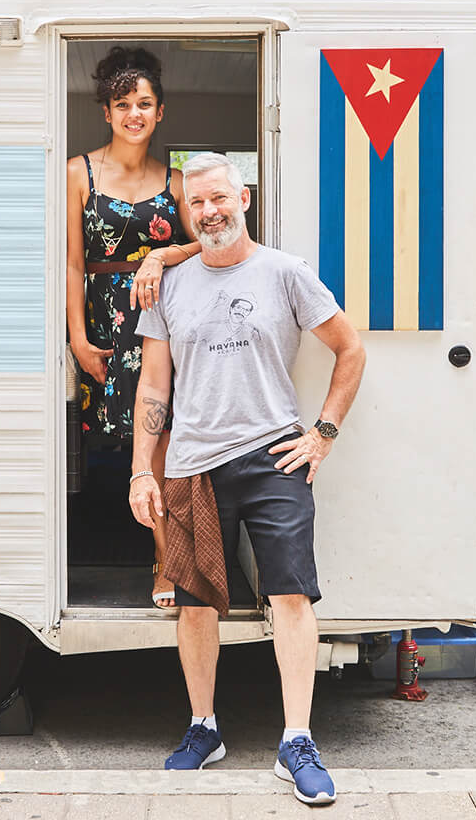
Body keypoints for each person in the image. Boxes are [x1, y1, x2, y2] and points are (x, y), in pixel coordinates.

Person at [129, 152, 365, 804]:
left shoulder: (286, 273)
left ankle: (296, 742)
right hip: (191, 464)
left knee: (291, 595)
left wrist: (323, 435)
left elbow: (351, 350)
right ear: (186, 214)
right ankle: (203, 728)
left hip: (272, 456)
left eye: (218, 199)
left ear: (244, 198)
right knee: (197, 602)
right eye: (195, 203)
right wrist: (139, 473)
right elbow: (154, 384)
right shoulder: (169, 284)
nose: (209, 212)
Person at [66, 46, 199, 608]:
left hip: (164, 323)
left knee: (165, 440)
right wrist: (78, 337)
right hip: (105, 324)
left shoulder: (176, 180)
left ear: (160, 112)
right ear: (107, 112)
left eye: (144, 103)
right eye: (123, 104)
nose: (134, 114)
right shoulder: (78, 172)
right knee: (127, 448)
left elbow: (213, 243)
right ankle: (157, 550)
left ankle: (166, 563)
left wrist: (161, 257)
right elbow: (72, 262)